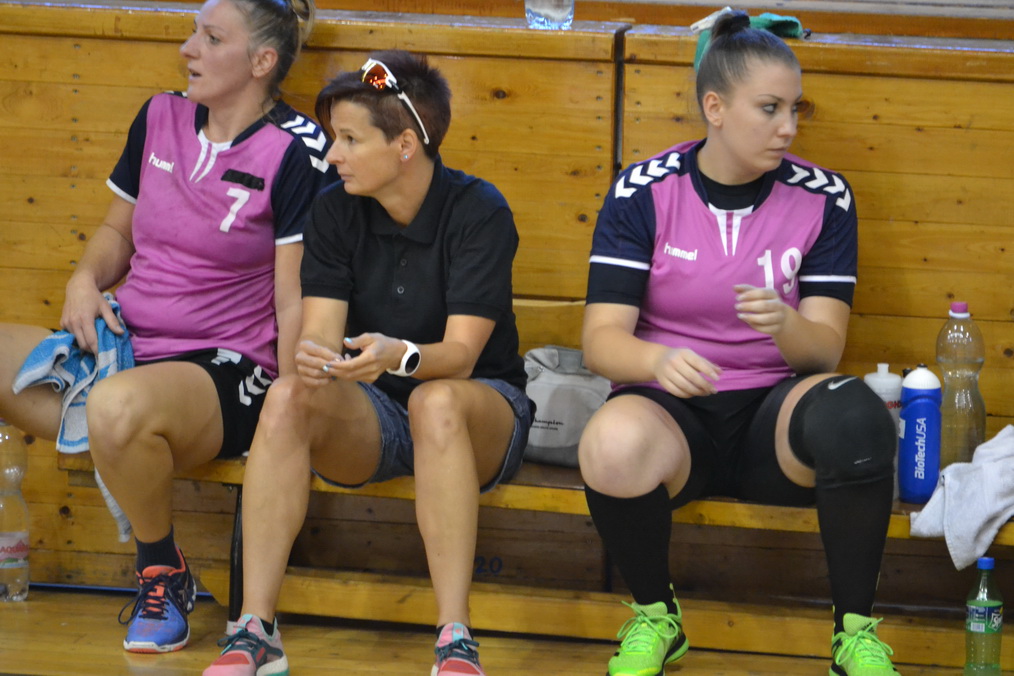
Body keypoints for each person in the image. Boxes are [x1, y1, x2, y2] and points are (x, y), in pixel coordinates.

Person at [0, 0, 332, 654]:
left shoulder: (296, 149)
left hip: (226, 368)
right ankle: (120, 442)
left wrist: (292, 403)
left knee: (116, 407)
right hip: (125, 342)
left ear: (262, 61)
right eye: (192, 33)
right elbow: (117, 232)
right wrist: (83, 281)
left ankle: (160, 571)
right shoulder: (159, 115)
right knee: (99, 398)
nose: (188, 49)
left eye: (211, 38)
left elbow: (294, 295)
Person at [578, 10, 900, 676]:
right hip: (672, 417)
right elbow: (601, 343)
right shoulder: (643, 191)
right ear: (715, 108)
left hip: (772, 421)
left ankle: (854, 635)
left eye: (794, 109)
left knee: (858, 415)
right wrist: (658, 359)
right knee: (608, 442)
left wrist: (784, 322)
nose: (788, 127)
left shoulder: (824, 197)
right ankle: (657, 617)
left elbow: (823, 353)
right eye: (770, 108)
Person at [201, 49, 534, 676]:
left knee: (436, 401)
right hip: (375, 410)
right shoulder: (333, 208)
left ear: (405, 145)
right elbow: (321, 338)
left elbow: (462, 357)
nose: (333, 155)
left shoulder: (479, 210)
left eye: (350, 140)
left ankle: (455, 637)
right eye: (334, 138)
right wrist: (315, 358)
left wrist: (397, 356)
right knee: (288, 395)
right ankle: (255, 628)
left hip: (478, 407)